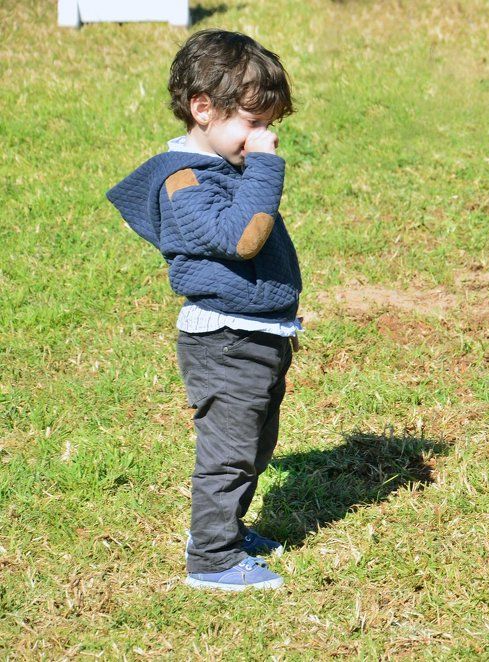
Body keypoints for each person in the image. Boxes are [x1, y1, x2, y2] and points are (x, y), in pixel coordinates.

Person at [107, 30, 301, 590]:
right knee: (230, 452)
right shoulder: (186, 181)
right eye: (253, 121)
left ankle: (225, 530)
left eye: (270, 125)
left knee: (255, 444)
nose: (264, 136)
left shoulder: (220, 166)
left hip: (256, 332)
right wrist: (266, 168)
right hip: (225, 340)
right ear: (203, 108)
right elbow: (243, 238)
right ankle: (212, 558)